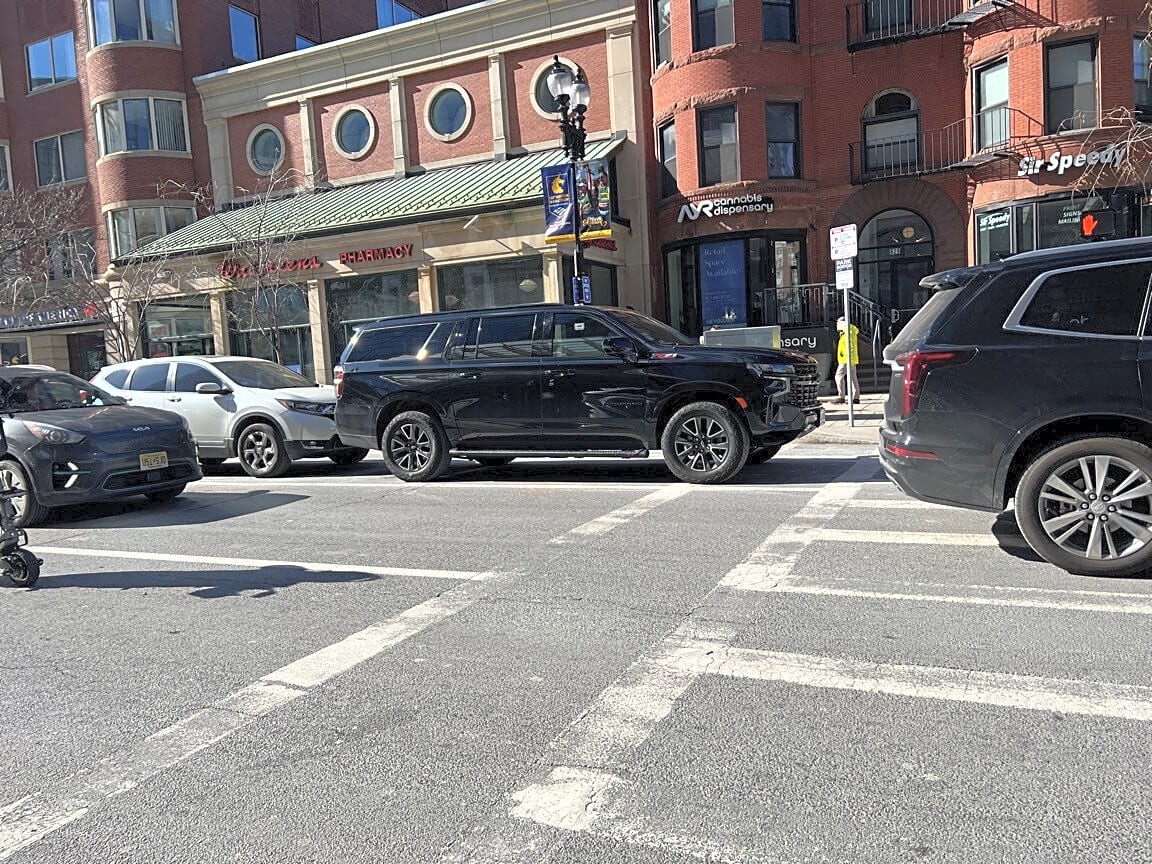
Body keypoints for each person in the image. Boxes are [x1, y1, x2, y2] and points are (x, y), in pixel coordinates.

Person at [833, 315, 860, 404]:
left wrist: (850, 359)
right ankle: (856, 397)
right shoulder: (847, 331)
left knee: (838, 376)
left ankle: (841, 397)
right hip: (849, 359)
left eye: (838, 323)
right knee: (853, 378)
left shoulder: (848, 331)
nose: (837, 325)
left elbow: (851, 345)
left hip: (846, 359)